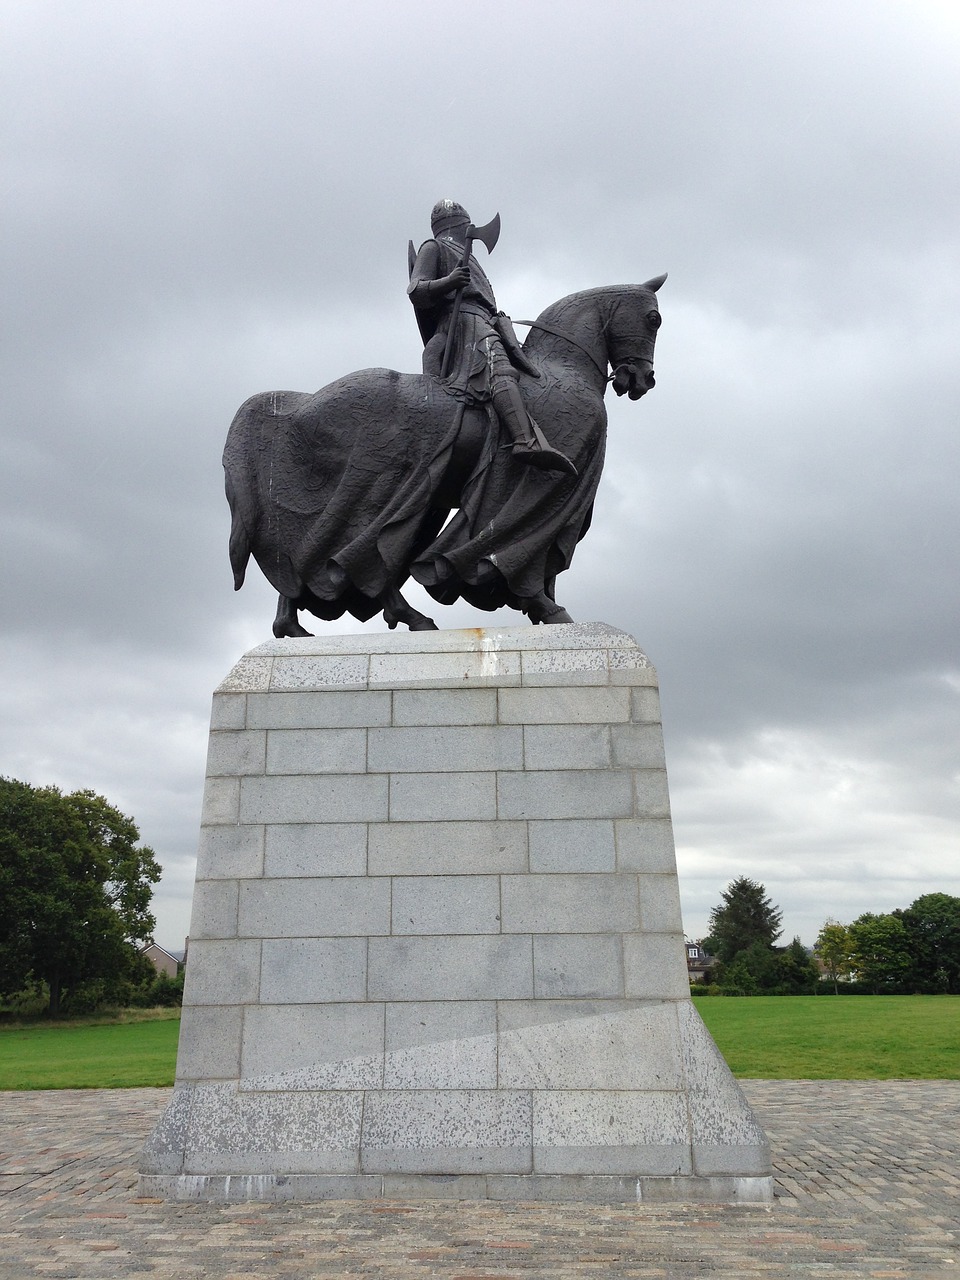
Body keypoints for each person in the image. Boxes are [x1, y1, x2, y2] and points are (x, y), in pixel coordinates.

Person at [407, 199, 577, 477]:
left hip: (484, 320)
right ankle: (524, 440)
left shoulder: (467, 255)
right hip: (463, 324)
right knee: (501, 370)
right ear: (457, 225)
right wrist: (450, 281)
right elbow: (416, 290)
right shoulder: (434, 246)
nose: (470, 231)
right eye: (466, 226)